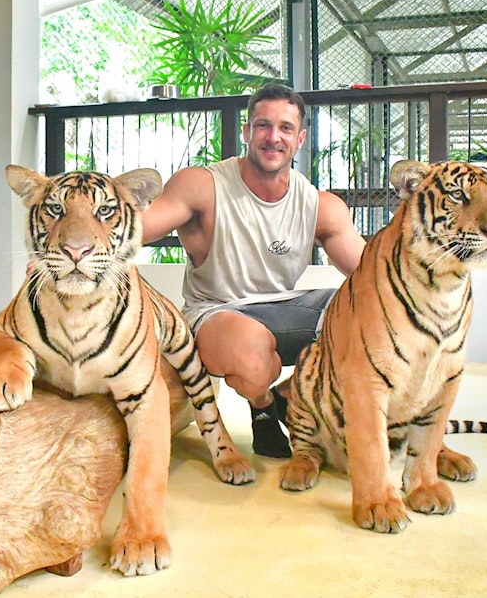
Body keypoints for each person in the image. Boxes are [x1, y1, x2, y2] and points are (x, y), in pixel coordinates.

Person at [140, 83, 366, 458]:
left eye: (285, 128)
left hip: (286, 305)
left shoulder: (320, 206)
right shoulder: (202, 186)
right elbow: (132, 232)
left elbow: (374, 275)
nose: (273, 137)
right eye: (263, 125)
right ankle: (261, 408)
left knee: (367, 316)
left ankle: (286, 396)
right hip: (217, 312)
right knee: (253, 354)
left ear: (300, 138)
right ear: (247, 131)